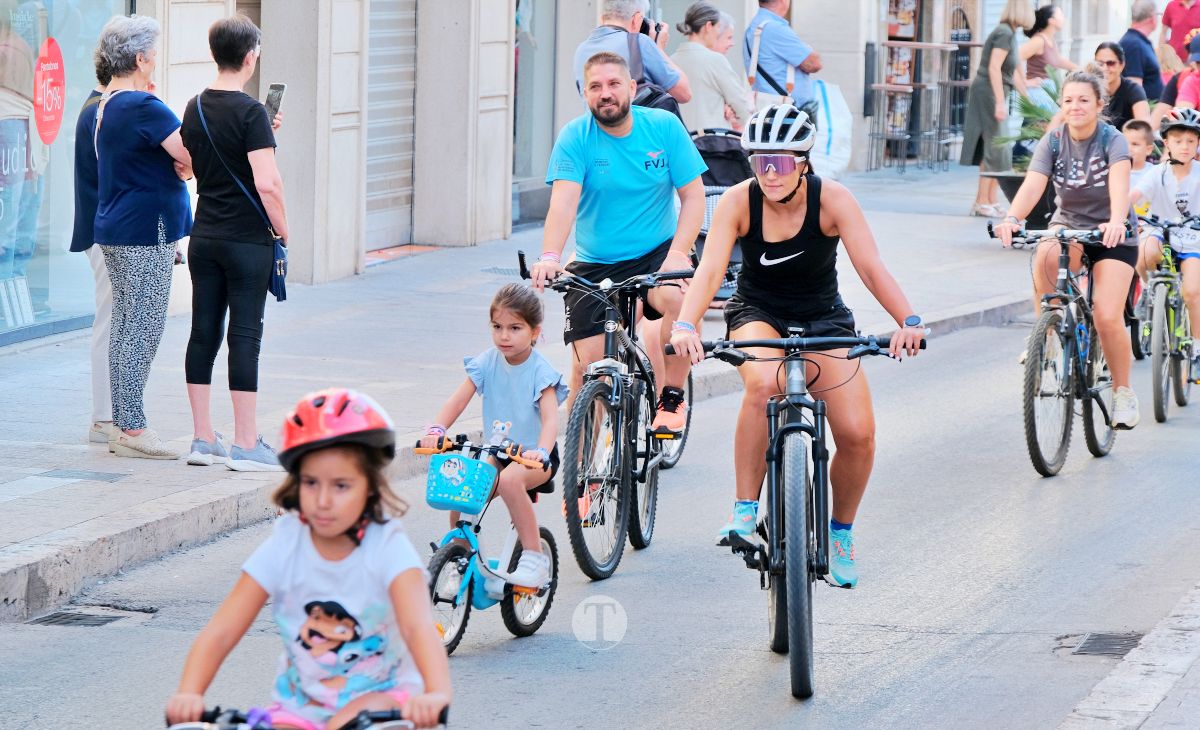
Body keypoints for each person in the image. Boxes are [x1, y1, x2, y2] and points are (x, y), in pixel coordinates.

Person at [668, 104, 925, 588]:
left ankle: (841, 532)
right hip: (757, 313)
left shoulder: (835, 200)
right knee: (764, 383)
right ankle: (744, 511)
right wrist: (685, 324)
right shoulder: (740, 201)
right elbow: (709, 270)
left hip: (823, 317)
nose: (769, 172)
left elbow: (871, 268)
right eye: (759, 160)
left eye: (780, 162)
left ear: (804, 162)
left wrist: (907, 320)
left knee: (857, 434)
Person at [164, 388, 452, 729]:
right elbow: (224, 628)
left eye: (341, 486)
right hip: (299, 707)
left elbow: (417, 626)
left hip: (380, 700)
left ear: (370, 487)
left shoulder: (386, 545)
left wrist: (436, 693)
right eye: (311, 483)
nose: (324, 500)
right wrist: (190, 692)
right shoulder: (286, 542)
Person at [529, 51, 706, 436]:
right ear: (585, 94)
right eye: (595, 86)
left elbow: (694, 196)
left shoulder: (662, 127)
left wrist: (678, 252)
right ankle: (583, 479)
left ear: (631, 87)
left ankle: (671, 396)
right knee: (591, 372)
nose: (605, 93)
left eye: (613, 84)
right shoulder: (576, 137)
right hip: (596, 262)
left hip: (658, 252)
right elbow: (562, 205)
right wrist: (549, 256)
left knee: (681, 303)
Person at [993, 69, 1142, 430]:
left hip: (1113, 233)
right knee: (1045, 252)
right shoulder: (1055, 140)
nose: (1075, 107)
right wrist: (1012, 218)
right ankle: (1048, 336)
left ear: (1099, 104)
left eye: (1084, 100)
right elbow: (1033, 186)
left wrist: (1116, 220)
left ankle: (1123, 393)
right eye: (1069, 100)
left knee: (1107, 316)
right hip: (1070, 225)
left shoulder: (1112, 140)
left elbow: (1120, 186)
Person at [181, 15, 289, 472]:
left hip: (204, 236)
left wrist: (264, 129)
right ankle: (246, 442)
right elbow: (268, 184)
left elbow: (187, 167)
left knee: (203, 331)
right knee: (245, 334)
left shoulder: (195, 106)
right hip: (247, 241)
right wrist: (284, 230)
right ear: (249, 57)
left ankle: (203, 439)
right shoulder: (251, 113)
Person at [418, 284, 568, 588]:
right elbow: (458, 400)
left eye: (515, 328)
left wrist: (540, 451)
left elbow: (551, 419)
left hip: (534, 456)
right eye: (497, 327)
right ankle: (458, 559)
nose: (504, 336)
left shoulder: (541, 371)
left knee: (511, 481)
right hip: (497, 450)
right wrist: (437, 429)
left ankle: (534, 559)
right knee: (463, 491)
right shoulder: (487, 361)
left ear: (535, 331)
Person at [94, 15, 194, 459]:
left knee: (125, 325)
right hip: (144, 230)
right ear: (140, 58)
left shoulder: (108, 102)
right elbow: (190, 154)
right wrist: (186, 164)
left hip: (120, 225)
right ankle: (132, 428)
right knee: (144, 325)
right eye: (153, 52)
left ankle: (121, 422)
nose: (155, 59)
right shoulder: (143, 106)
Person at [1129, 109, 1200, 376]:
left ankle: (1196, 346)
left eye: (1191, 141)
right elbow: (1134, 195)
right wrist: (1116, 214)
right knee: (1145, 251)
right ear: (1166, 143)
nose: (1185, 146)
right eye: (1178, 140)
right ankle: (1149, 288)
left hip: (1193, 240)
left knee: (1192, 292)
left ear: (1197, 144)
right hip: (1164, 237)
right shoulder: (1157, 173)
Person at [71, 49, 114, 447]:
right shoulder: (99, 111)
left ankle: (107, 415)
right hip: (104, 233)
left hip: (100, 229)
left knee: (111, 319)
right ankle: (103, 417)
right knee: (110, 320)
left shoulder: (95, 107)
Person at [960, 0, 1034, 218]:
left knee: (995, 148)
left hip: (995, 91)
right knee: (995, 147)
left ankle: (989, 200)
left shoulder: (1010, 34)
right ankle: (982, 201)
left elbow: (1016, 70)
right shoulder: (1004, 33)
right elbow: (994, 68)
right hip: (989, 93)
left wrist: (1027, 95)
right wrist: (1000, 102)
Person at [572, 0, 691, 104]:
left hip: (596, 128)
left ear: (601, 18)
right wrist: (658, 49)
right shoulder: (640, 42)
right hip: (634, 129)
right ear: (637, 19)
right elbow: (684, 93)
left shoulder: (581, 50)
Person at [671, 2, 749, 132]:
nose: (718, 32)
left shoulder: (671, 60)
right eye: (718, 27)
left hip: (680, 140)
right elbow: (739, 103)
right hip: (712, 143)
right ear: (708, 26)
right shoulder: (715, 60)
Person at [743, 0, 821, 113]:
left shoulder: (754, 27)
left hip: (769, 110)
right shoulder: (775, 29)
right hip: (789, 116)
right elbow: (814, 63)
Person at [1020, 4, 1077, 111]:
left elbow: (1058, 60)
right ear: (1052, 21)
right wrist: (1025, 82)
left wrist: (1081, 68)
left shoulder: (1050, 39)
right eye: (1060, 15)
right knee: (1037, 126)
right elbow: (1015, 58)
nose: (1064, 18)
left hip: (1048, 92)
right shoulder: (1039, 40)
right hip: (1038, 93)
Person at [1095, 42, 1152, 133]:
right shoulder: (1090, 89)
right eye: (1100, 64)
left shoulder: (1133, 90)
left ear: (1122, 65)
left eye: (1111, 63)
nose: (1104, 68)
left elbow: (1144, 125)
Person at [1121, 0, 1164, 101]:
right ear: (1152, 17)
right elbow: (1134, 88)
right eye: (1158, 14)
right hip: (1146, 111)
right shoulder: (1133, 44)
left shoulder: (1138, 42)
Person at [1123, 119, 1155, 218]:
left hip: (1149, 227)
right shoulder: (1116, 173)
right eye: (1124, 143)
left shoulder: (1155, 173)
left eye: (1135, 144)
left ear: (1148, 149)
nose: (1128, 148)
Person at [1161, 0, 1200, 65]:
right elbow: (1163, 32)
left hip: (1196, 61)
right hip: (1173, 61)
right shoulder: (1171, 5)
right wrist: (1161, 53)